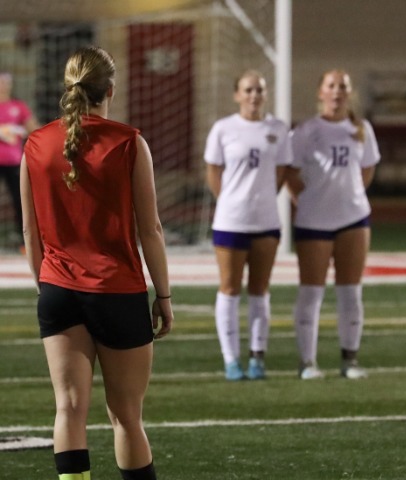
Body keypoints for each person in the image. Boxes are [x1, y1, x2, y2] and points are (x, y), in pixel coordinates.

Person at [20, 46, 173, 480]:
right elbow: (151, 230)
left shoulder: (36, 144)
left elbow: (30, 232)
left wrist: (47, 287)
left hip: (58, 290)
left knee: (68, 409)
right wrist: (163, 296)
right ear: (110, 90)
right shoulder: (128, 142)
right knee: (126, 417)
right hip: (117, 291)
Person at [286, 69, 381, 380]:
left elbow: (367, 169)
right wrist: (308, 200)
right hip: (314, 221)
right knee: (311, 291)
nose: (337, 91)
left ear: (350, 93)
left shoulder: (361, 129)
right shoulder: (306, 131)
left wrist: (350, 196)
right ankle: (307, 362)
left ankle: (350, 360)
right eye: (331, 86)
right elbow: (289, 173)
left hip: (354, 219)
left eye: (343, 86)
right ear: (321, 92)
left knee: (350, 291)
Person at [203, 70, 292, 381]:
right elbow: (213, 171)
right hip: (231, 222)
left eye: (259, 90)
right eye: (248, 90)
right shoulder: (223, 129)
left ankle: (257, 357)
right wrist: (231, 200)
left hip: (266, 221)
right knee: (229, 288)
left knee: (260, 289)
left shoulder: (278, 129)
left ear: (265, 95)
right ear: (237, 94)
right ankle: (231, 360)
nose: (254, 95)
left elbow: (281, 172)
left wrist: (261, 199)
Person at [0, 70, 39, 251]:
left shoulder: (18, 106)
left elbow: (33, 128)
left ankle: (25, 243)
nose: (3, 85)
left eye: (6, 82)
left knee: (20, 200)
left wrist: (17, 130)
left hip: (13, 161)